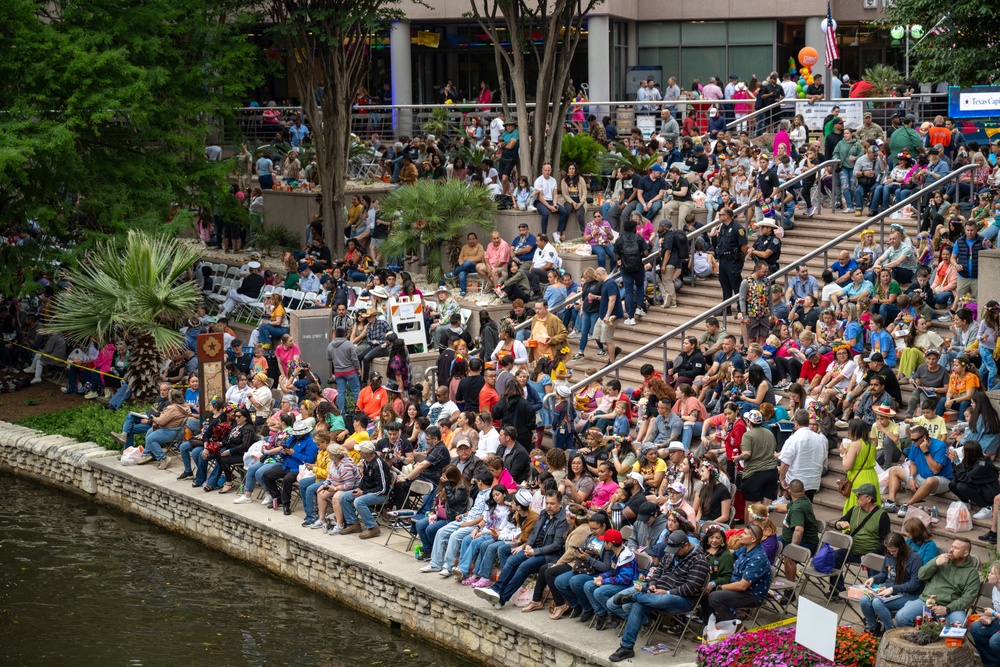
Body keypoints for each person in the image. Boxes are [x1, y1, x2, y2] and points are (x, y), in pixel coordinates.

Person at [607, 529, 710, 663]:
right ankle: (626, 647)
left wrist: (667, 592)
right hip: (658, 592)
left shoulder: (699, 560)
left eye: (676, 550)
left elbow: (691, 588)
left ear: (685, 545)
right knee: (640, 605)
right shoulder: (672, 551)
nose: (673, 553)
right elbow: (659, 570)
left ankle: (635, 596)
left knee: (660, 598)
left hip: (682, 599)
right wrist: (653, 584)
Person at [475, 490, 568, 609]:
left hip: (550, 555)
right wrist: (528, 544)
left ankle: (502, 599)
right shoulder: (544, 513)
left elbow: (556, 545)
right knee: (512, 560)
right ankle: (495, 589)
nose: (549, 506)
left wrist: (534, 552)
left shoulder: (563, 520)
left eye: (552, 503)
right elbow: (534, 532)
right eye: (547, 503)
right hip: (534, 548)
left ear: (560, 503)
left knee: (524, 566)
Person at [894, 538, 983, 627]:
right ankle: (913, 638)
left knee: (960, 624)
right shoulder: (941, 560)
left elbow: (968, 598)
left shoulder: (971, 573)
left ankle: (942, 640)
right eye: (952, 546)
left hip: (951, 607)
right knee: (901, 617)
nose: (951, 549)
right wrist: (935, 563)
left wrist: (948, 609)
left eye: (956, 548)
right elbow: (921, 576)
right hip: (927, 601)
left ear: (965, 553)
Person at [859, 532, 925, 636]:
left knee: (877, 602)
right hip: (888, 589)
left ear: (901, 547)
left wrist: (893, 589)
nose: (891, 553)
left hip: (908, 594)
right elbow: (884, 574)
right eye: (889, 551)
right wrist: (873, 578)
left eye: (894, 551)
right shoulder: (889, 555)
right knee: (864, 600)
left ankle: (890, 632)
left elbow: (915, 584)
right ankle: (873, 627)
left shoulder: (914, 559)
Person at [706, 523, 772, 622]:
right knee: (705, 588)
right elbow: (731, 554)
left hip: (751, 594)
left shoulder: (757, 559)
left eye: (745, 534)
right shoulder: (746, 548)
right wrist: (716, 548)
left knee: (714, 597)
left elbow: (742, 586)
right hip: (736, 585)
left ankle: (734, 626)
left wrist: (719, 587)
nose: (741, 534)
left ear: (753, 539)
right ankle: (711, 621)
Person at [832, 483, 891, 593]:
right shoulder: (854, 510)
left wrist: (870, 555)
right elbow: (837, 523)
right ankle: (836, 590)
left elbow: (885, 541)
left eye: (859, 496)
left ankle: (873, 595)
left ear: (869, 498)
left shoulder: (882, 516)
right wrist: (840, 524)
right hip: (853, 551)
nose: (856, 498)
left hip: (872, 554)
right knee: (835, 556)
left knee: (874, 564)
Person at [882, 425, 953, 515]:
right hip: (922, 476)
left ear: (924, 438)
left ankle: (908, 504)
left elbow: (935, 470)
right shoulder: (914, 445)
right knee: (893, 470)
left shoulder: (940, 446)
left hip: (940, 480)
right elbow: (913, 463)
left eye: (915, 440)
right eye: (911, 439)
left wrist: (926, 451)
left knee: (930, 481)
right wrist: (911, 477)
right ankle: (891, 501)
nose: (912, 442)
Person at [735, 410, 778, 520]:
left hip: (754, 473)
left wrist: (737, 458)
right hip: (771, 472)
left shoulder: (748, 435)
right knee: (766, 507)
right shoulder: (769, 433)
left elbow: (746, 454)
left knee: (751, 507)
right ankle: (763, 532)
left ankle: (749, 531)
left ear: (749, 422)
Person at [777, 409, 827, 500]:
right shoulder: (820, 439)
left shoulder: (794, 439)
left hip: (796, 482)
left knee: (796, 509)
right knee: (806, 507)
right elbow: (823, 460)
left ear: (796, 422)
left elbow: (785, 463)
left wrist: (782, 478)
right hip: (812, 481)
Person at [948, 440, 1000, 517]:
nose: (961, 452)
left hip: (989, 490)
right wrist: (954, 462)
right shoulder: (968, 460)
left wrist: (957, 462)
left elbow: (966, 478)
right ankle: (965, 502)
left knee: (962, 486)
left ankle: (986, 507)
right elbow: (958, 477)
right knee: (953, 484)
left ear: (969, 453)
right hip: (977, 485)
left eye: (963, 451)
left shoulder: (982, 464)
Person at [613, 217, 650, 326]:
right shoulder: (639, 238)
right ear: (634, 228)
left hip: (626, 269)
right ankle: (639, 307)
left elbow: (616, 256)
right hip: (638, 267)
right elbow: (646, 253)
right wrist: (638, 256)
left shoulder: (620, 240)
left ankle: (630, 317)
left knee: (628, 291)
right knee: (639, 286)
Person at [712, 207, 747, 315]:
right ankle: (726, 309)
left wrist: (740, 258)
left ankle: (741, 310)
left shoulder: (737, 228)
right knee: (725, 285)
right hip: (723, 260)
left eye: (720, 215)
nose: (719, 217)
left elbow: (744, 246)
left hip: (733, 261)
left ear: (726, 216)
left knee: (736, 285)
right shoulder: (723, 227)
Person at [970, 560, 1000, 667]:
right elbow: (997, 610)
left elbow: (995, 613)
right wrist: (990, 618)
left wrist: (993, 614)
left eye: (992, 573)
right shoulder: (995, 589)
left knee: (995, 641)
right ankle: (991, 663)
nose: (988, 574)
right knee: (976, 628)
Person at [533, 163, 568, 238]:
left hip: (551, 201)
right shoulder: (539, 180)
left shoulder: (553, 180)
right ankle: (544, 234)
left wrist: (554, 204)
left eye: (548, 170)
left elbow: (555, 194)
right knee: (545, 213)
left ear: (551, 170)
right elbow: (540, 197)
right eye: (545, 170)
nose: (547, 172)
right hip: (540, 201)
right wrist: (549, 207)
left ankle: (558, 233)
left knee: (564, 212)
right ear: (542, 170)